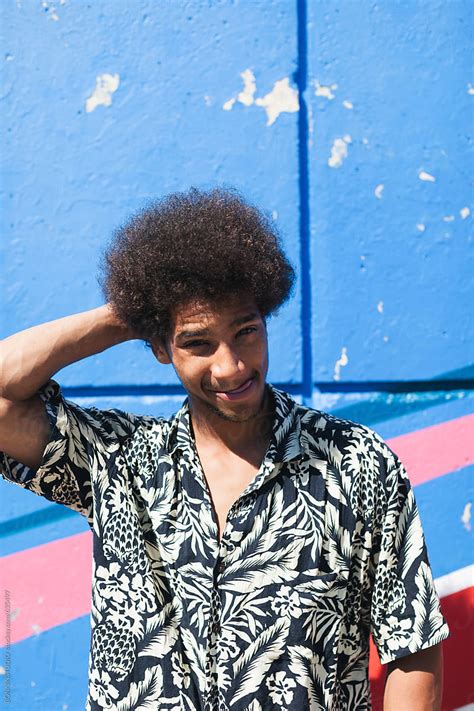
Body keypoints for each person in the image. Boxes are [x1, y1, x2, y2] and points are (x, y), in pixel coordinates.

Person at [0, 187, 449, 710]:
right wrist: (136, 311)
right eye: (197, 343)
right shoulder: (116, 459)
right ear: (161, 350)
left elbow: (411, 646)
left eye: (245, 332)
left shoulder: (358, 465)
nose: (231, 365)